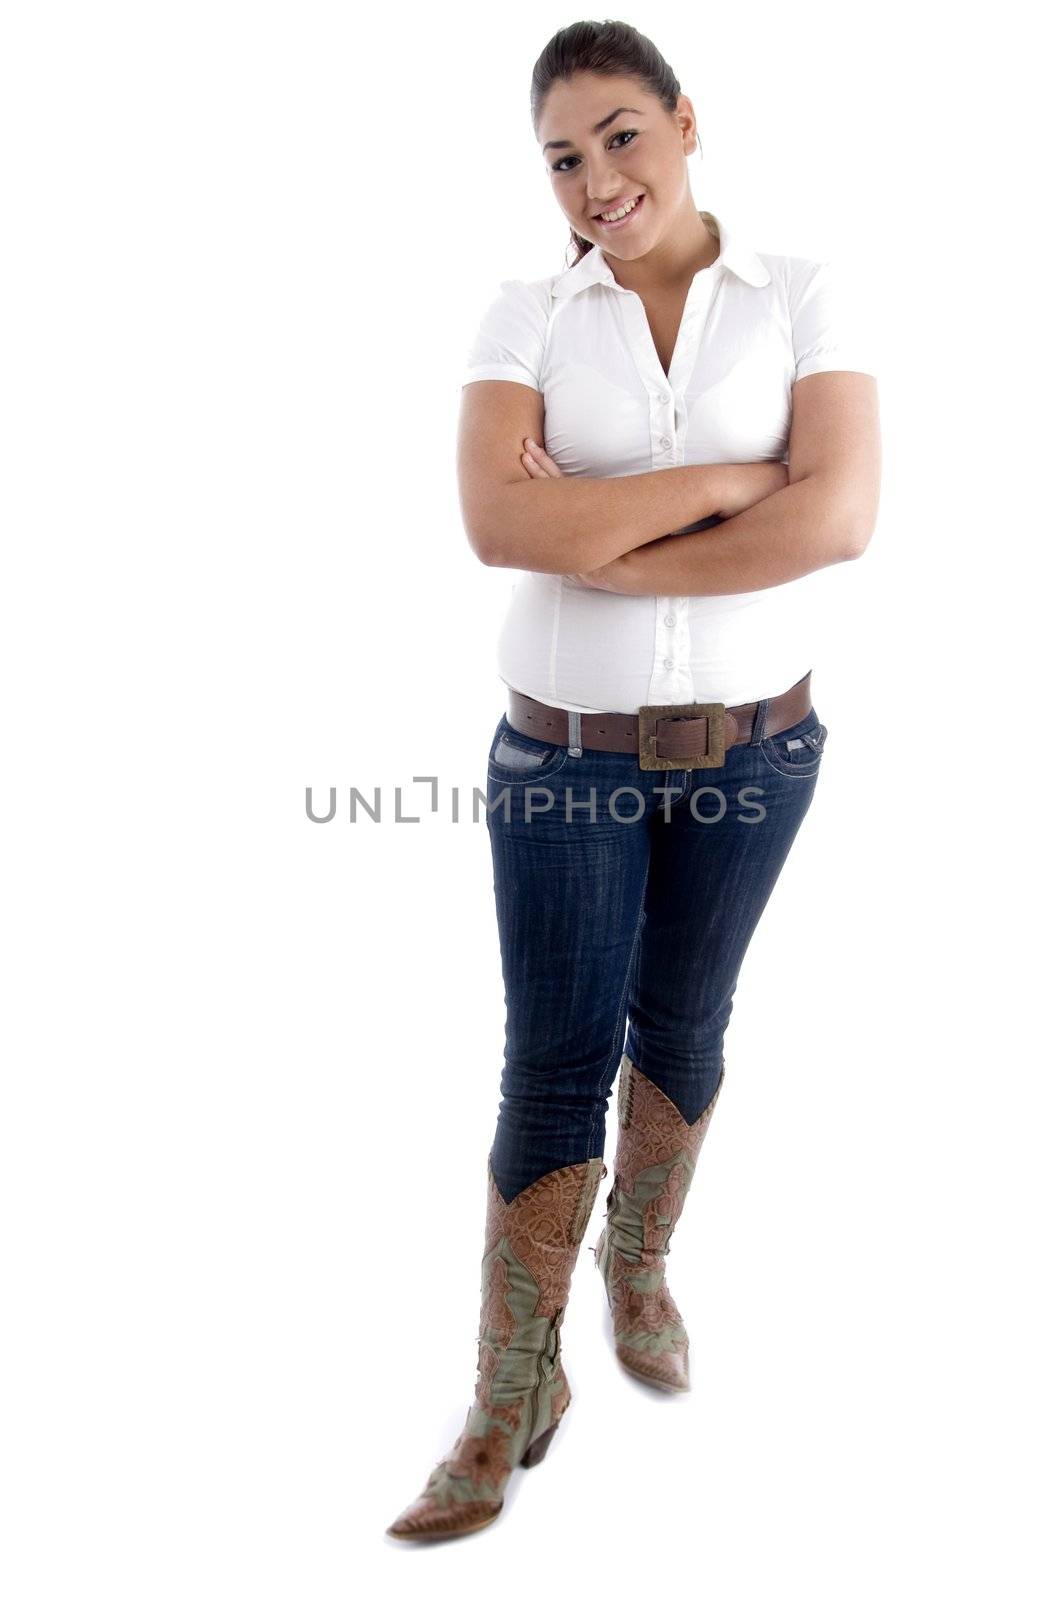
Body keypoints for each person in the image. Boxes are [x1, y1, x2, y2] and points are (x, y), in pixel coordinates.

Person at [386, 19, 880, 1542]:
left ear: (683, 118)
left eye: (618, 134)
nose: (596, 178)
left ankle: (640, 1267)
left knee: (686, 1023)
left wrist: (604, 519)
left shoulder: (803, 293)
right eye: (561, 157)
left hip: (759, 751)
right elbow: (500, 530)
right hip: (564, 761)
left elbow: (842, 519)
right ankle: (509, 1388)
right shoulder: (523, 314)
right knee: (549, 1064)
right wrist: (746, 476)